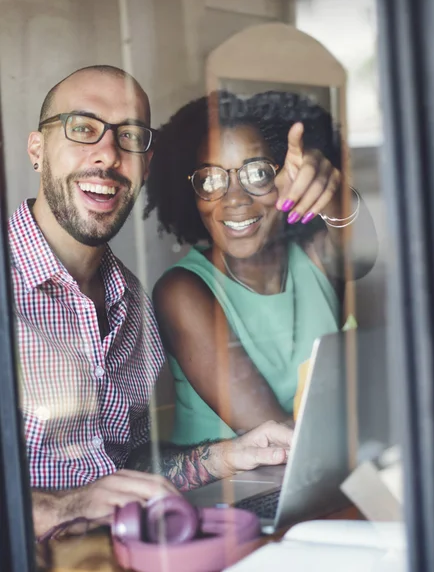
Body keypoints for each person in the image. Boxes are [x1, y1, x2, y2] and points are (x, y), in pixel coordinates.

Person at [10, 66, 292, 537]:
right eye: (83, 129)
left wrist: (226, 455)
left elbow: (124, 464)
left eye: (130, 137)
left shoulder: (132, 300)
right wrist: (64, 507)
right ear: (37, 150)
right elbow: (85, 496)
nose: (107, 155)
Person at [144, 90, 376, 444]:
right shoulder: (182, 291)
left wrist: (333, 193)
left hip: (314, 474)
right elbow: (273, 437)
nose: (235, 198)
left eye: (257, 174)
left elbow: (368, 256)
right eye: (211, 179)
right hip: (230, 493)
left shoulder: (313, 257)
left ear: (289, 177)